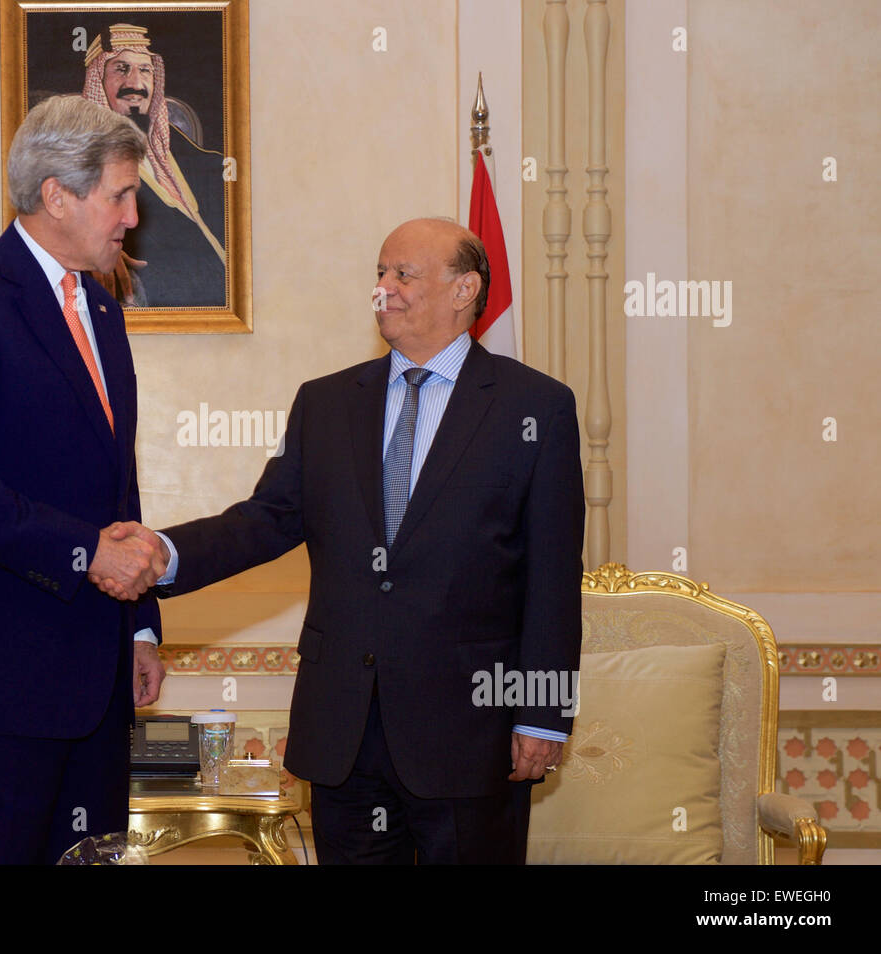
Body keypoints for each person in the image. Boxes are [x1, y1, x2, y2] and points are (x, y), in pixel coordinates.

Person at [93, 218, 585, 863]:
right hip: (343, 734)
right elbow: (264, 520)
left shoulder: (535, 408)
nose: (383, 289)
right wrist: (163, 552)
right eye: (380, 274)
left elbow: (552, 578)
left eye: (402, 275)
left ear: (465, 289)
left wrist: (542, 715)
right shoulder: (326, 404)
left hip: (470, 733)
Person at [0, 95, 169, 865]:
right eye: (119, 194)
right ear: (58, 195)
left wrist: (140, 624)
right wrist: (87, 553)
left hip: (99, 677)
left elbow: (118, 484)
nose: (131, 215)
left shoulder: (104, 313)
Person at [81, 22, 227, 307]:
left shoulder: (190, 154)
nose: (136, 84)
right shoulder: (84, 161)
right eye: (121, 69)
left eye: (145, 70)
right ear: (98, 80)